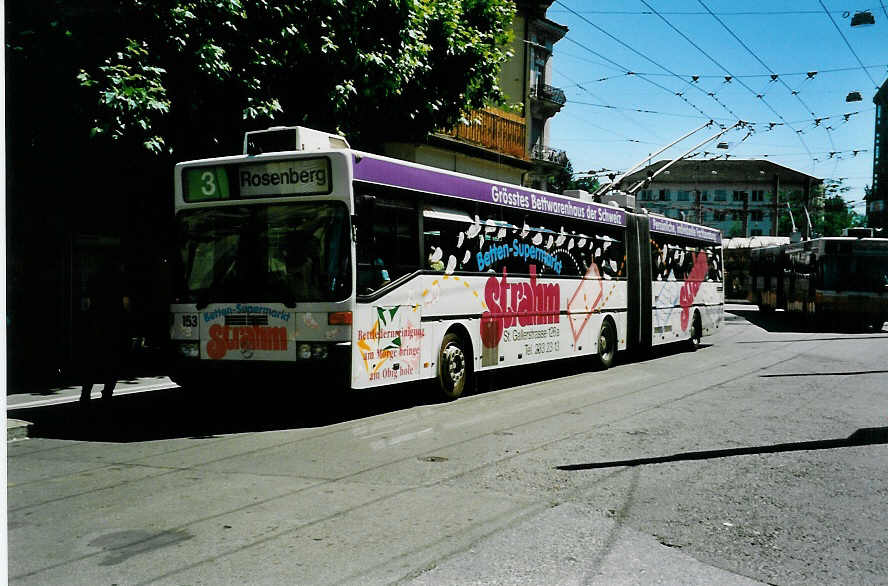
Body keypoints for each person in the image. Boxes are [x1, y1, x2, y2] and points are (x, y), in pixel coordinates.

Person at [79, 262, 131, 405]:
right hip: (114, 325)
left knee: (92, 361)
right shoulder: (121, 280)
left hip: (96, 324)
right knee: (113, 361)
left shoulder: (93, 279)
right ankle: (107, 392)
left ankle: (86, 393)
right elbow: (126, 304)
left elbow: (86, 304)